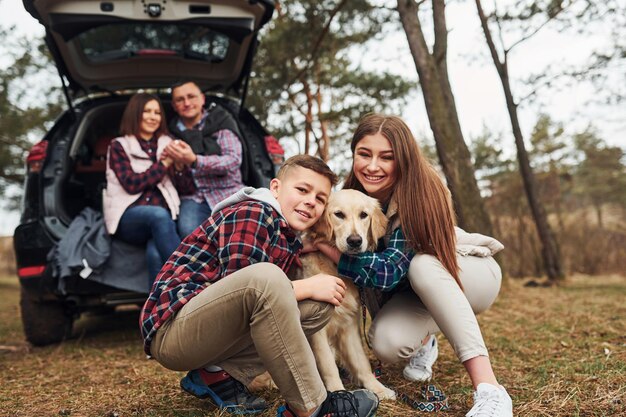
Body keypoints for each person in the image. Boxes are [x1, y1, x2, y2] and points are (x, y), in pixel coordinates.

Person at [139, 155, 379, 417]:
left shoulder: (283, 233)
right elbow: (248, 284)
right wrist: (308, 286)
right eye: (302, 190)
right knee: (270, 278)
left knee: (318, 308)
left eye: (320, 198)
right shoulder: (253, 212)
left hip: (206, 332)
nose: (311, 200)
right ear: (275, 188)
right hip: (173, 332)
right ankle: (313, 407)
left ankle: (214, 374)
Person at [314, 114, 513, 417]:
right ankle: (426, 340)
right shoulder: (353, 196)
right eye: (364, 154)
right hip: (414, 293)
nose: (372, 166)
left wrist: (330, 251)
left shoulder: (424, 190)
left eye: (386, 157)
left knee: (422, 266)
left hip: (468, 276)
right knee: (385, 342)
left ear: (403, 159)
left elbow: (389, 271)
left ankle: (490, 390)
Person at [103, 93, 194, 283]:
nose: (153, 117)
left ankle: (159, 309)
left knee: (155, 253)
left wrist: (178, 168)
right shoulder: (119, 146)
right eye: (147, 111)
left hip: (164, 220)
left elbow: (187, 188)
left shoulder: (169, 144)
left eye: (157, 113)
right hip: (128, 217)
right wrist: (164, 164)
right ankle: (188, 277)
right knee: (157, 215)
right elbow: (132, 184)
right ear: (136, 114)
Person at [164, 80, 246, 238]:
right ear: (174, 106)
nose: (187, 103)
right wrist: (179, 168)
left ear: (202, 99)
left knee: (239, 234)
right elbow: (175, 179)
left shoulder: (221, 121)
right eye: (180, 100)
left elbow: (233, 160)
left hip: (228, 191)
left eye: (191, 97)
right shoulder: (171, 135)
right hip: (193, 196)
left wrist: (195, 160)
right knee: (189, 233)